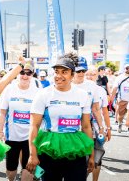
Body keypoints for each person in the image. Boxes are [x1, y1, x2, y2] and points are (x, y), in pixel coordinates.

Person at [26, 53, 94, 181]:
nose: (59, 76)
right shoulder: (43, 94)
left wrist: (91, 155)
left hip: (75, 149)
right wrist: (32, 155)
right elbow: (34, 126)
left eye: (64, 72)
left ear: (72, 75)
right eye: (56, 72)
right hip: (48, 149)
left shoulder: (83, 95)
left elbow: (86, 126)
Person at [0, 60, 37, 181]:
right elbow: (3, 112)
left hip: (29, 137)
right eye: (22, 72)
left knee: (28, 169)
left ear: (32, 75)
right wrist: (0, 131)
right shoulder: (9, 89)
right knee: (11, 170)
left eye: (28, 73)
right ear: (18, 74)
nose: (25, 76)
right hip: (12, 136)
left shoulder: (37, 91)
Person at [85, 66, 112, 181]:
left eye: (93, 74)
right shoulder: (78, 89)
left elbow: (105, 112)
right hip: (81, 129)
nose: (90, 77)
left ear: (97, 76)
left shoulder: (101, 90)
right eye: (88, 74)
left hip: (97, 129)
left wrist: (108, 128)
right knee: (82, 158)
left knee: (97, 157)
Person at [111, 64, 129, 133]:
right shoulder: (119, 77)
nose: (128, 70)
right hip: (122, 99)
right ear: (124, 69)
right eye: (127, 68)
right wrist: (111, 99)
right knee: (121, 115)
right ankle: (120, 124)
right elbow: (114, 88)